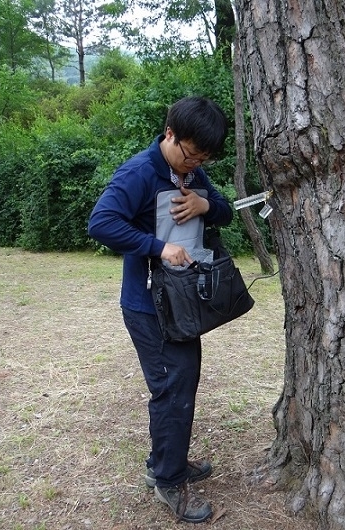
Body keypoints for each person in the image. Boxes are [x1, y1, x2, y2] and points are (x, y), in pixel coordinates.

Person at [87, 96, 233, 524]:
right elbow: (101, 221)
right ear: (170, 134)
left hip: (180, 303)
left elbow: (221, 208)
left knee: (180, 382)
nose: (196, 164)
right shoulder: (139, 172)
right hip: (148, 306)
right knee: (173, 387)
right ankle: (169, 482)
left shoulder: (190, 170)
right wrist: (157, 246)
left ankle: (163, 462)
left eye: (204, 158)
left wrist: (205, 205)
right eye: (191, 153)